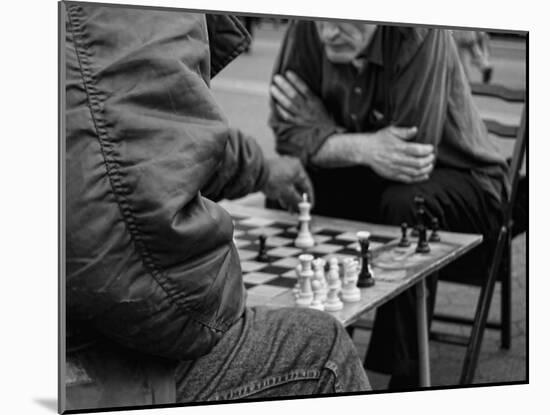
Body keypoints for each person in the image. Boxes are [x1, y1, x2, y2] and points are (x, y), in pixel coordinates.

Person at [64, 5, 370, 411]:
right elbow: (174, 299)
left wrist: (260, 168)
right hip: (69, 363)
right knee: (321, 347)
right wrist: (233, 290)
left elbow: (143, 144)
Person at [268, 20, 509, 389]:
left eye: (345, 20)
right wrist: (365, 147)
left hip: (465, 179)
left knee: (403, 206)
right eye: (323, 19)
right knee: (288, 187)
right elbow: (286, 136)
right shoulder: (306, 25)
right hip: (371, 175)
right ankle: (300, 344)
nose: (330, 31)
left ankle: (399, 379)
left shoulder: (420, 28)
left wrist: (319, 130)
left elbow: (412, 154)